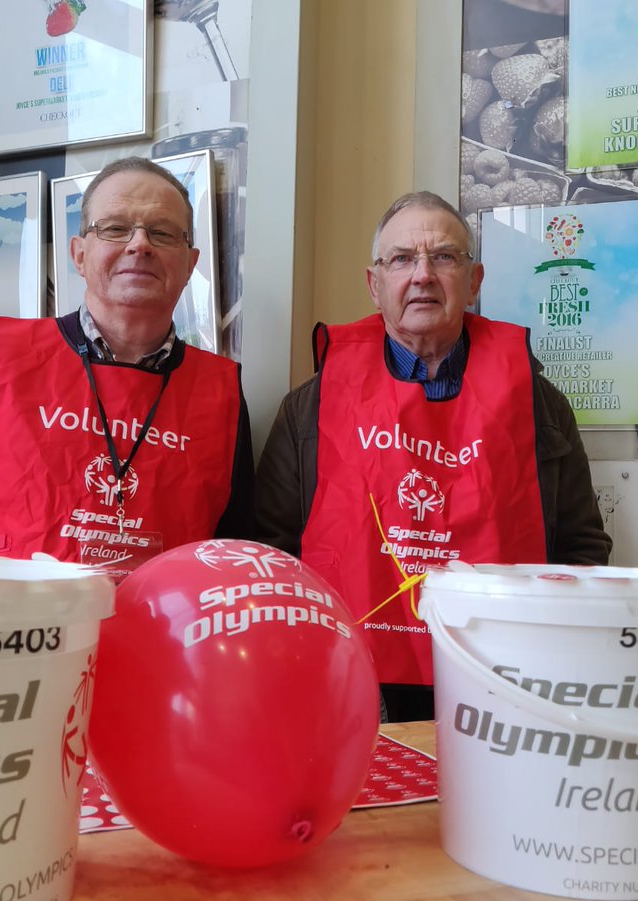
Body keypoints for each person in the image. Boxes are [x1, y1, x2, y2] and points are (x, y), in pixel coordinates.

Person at [255, 191, 610, 721]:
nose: (422, 275)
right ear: (375, 285)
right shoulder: (311, 407)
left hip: (501, 685)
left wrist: (543, 657)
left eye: (444, 257)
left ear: (475, 281)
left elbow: (582, 547)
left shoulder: (539, 405)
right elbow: (269, 551)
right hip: (351, 689)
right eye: (402, 259)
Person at [0, 157, 254, 574]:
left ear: (189, 264)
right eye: (115, 228)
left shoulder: (220, 395)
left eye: (162, 232)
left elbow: (234, 564)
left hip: (159, 636)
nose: (139, 244)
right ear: (79, 255)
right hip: (7, 634)